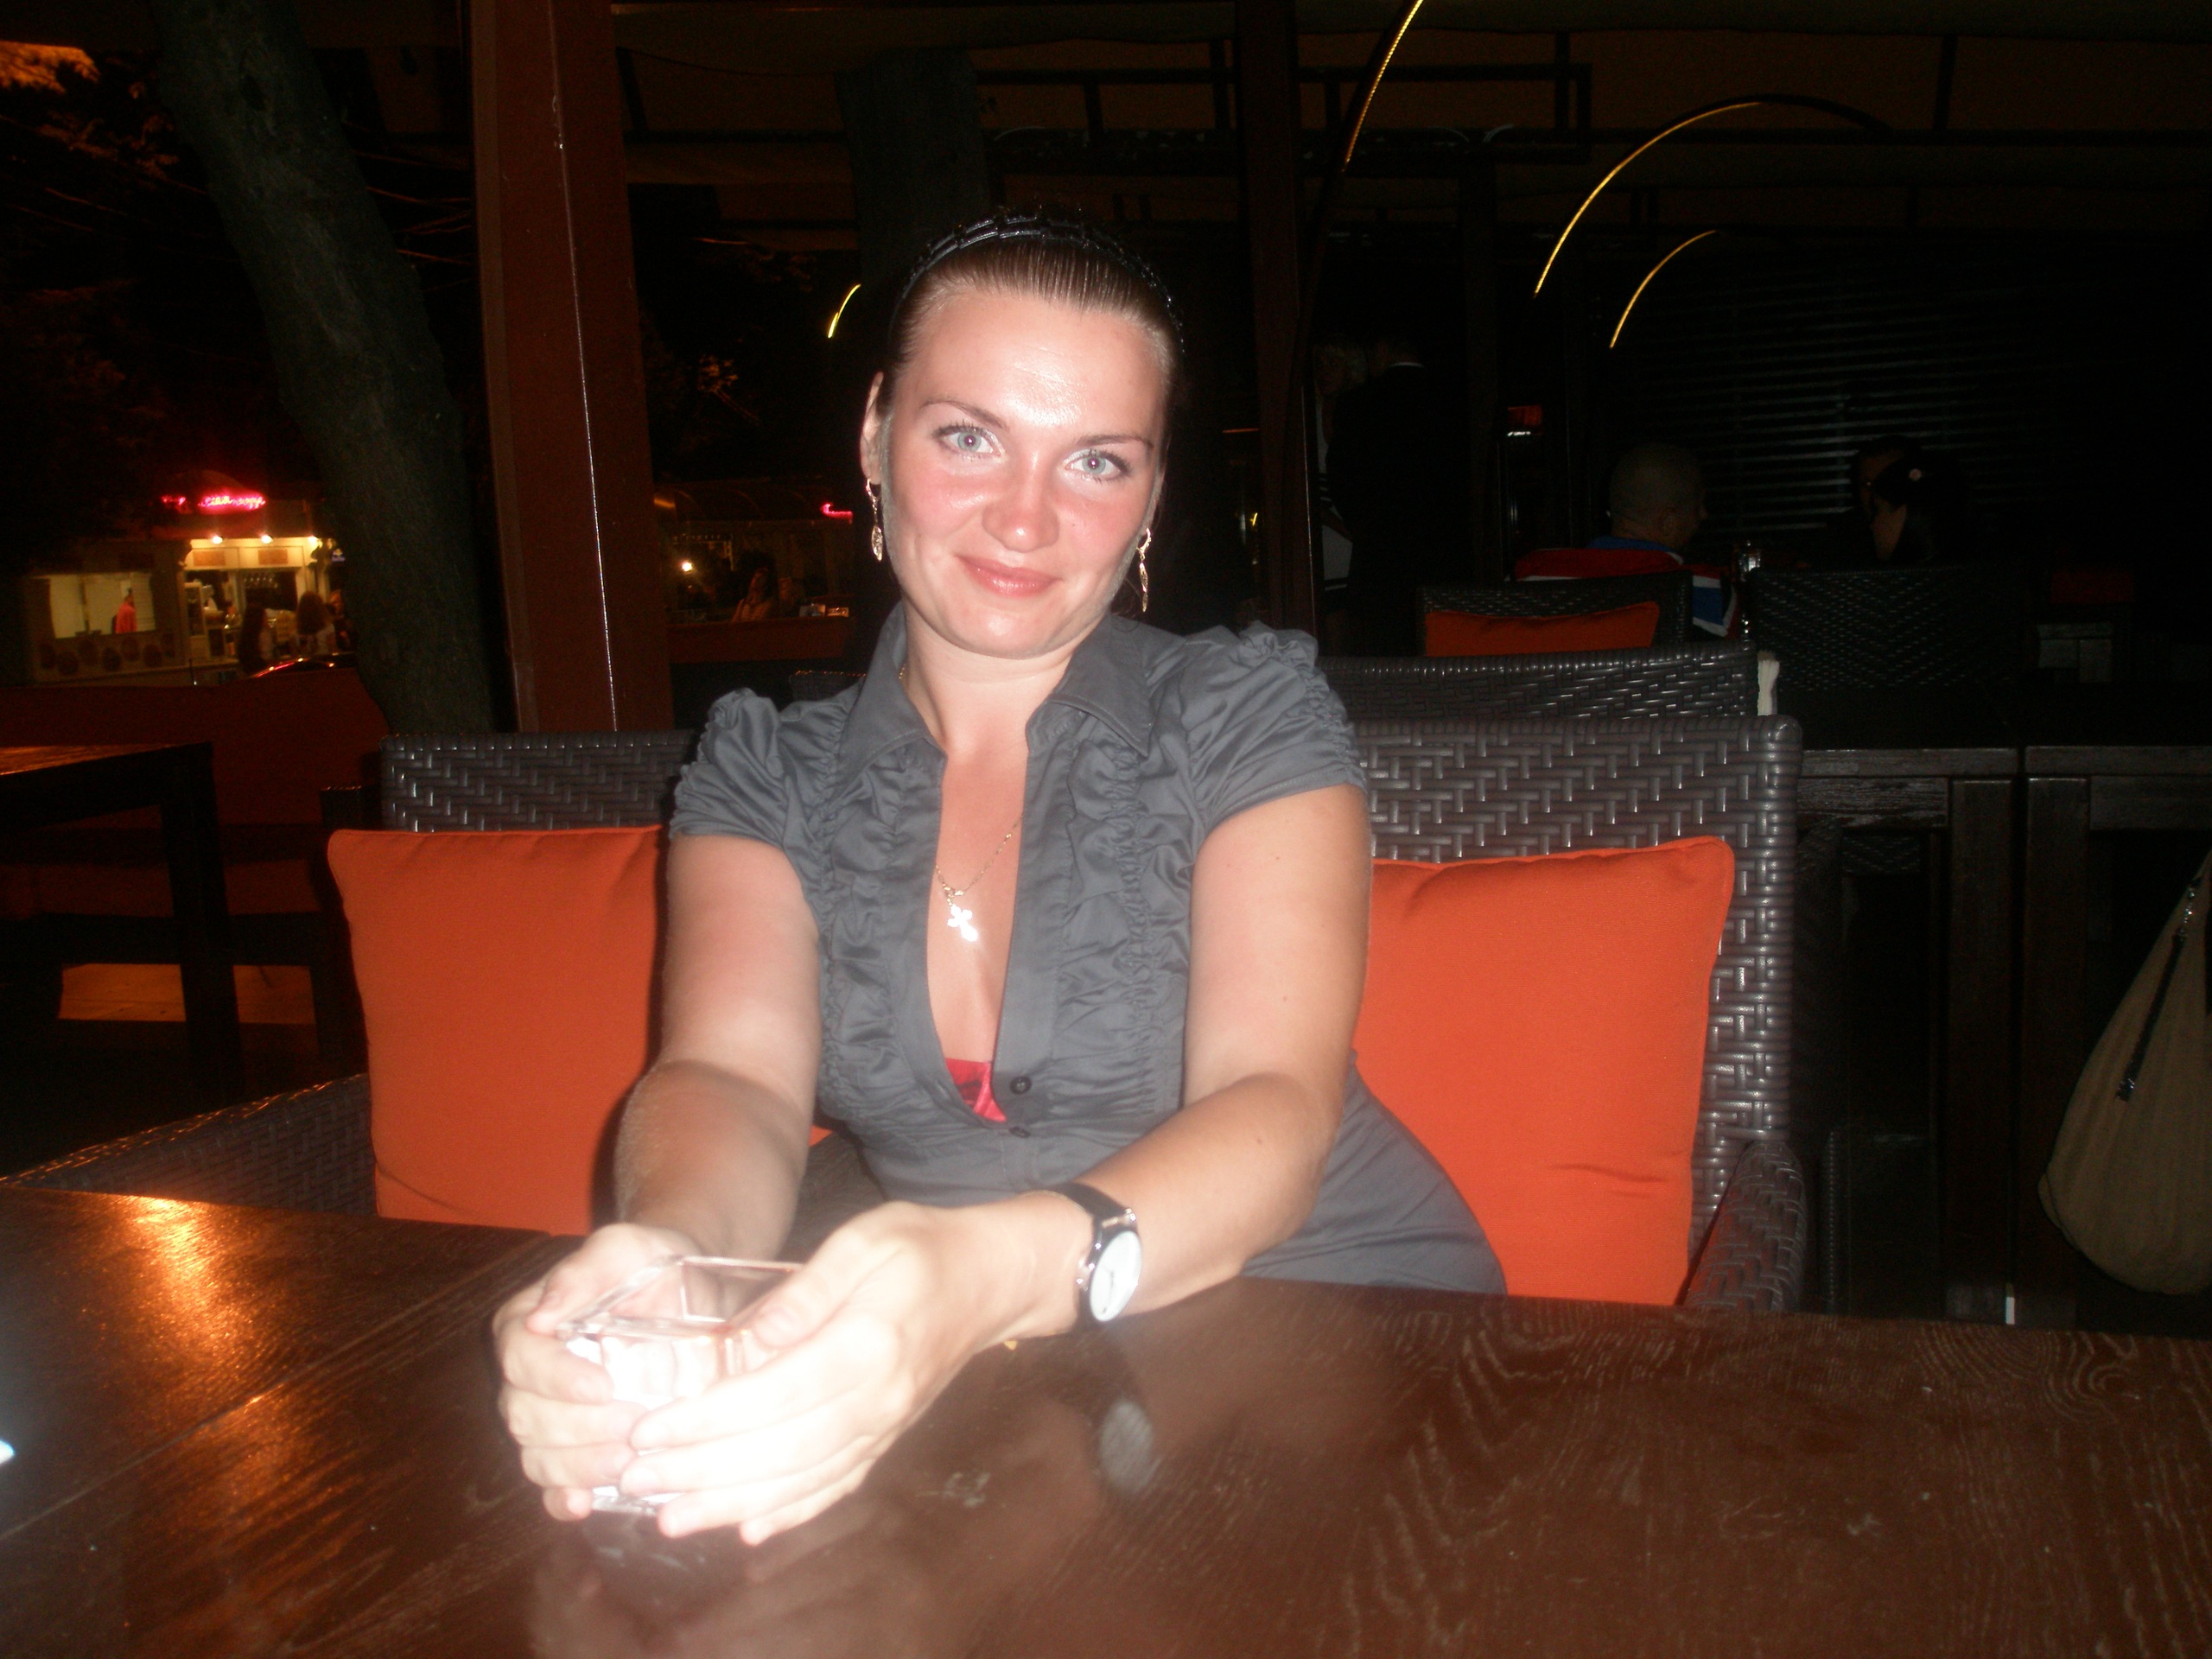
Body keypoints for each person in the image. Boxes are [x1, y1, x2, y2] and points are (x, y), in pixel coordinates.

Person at [493, 213, 1502, 1545]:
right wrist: (674, 1265)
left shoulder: (1244, 717)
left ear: (1150, 497)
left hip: (1333, 1333)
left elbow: (1275, 1101)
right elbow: (730, 1078)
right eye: (968, 437)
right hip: (996, 1388)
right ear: (876, 437)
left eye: (1097, 461)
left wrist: (987, 1275)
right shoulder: (766, 773)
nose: (1026, 517)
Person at [1326, 331, 1468, 654]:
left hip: (1381, 561)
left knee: (1385, 657)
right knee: (1444, 655)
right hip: (1444, 557)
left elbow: (1341, 479)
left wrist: (1365, 527)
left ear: (1381, 349)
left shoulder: (1359, 403)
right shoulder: (1453, 399)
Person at [1516, 442, 1736, 636]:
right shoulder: (1708, 592)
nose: (1704, 515)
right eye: (1697, 507)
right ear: (1668, 521)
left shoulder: (1530, 575)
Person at [294, 589, 336, 658]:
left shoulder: (295, 634)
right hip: (324, 662)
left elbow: (295, 657)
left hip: (306, 663)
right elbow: (333, 651)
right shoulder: (328, 629)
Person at [233, 603, 271, 676]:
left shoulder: (245, 637)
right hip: (263, 671)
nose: (267, 618)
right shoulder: (263, 634)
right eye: (265, 616)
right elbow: (267, 655)